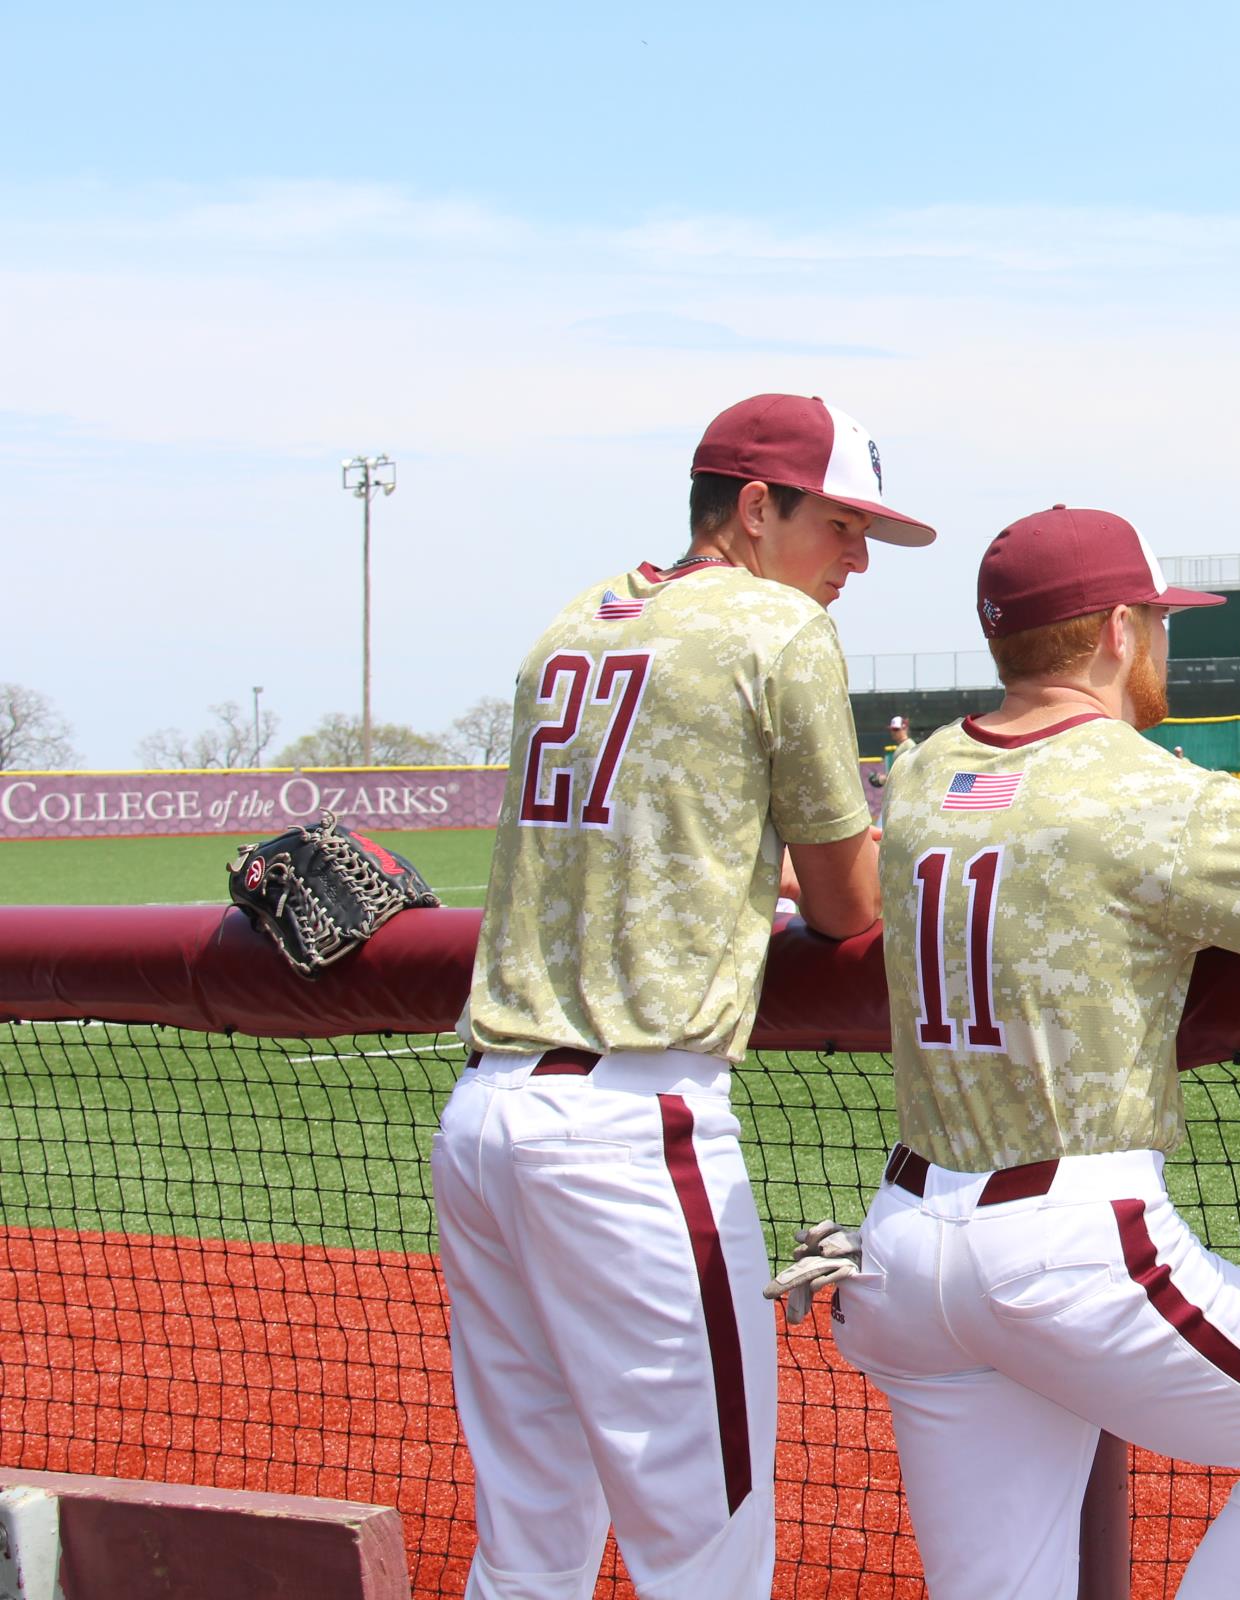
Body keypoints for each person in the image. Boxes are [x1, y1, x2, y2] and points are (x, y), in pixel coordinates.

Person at [830, 505, 1240, 1597]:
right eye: (1158, 621)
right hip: (1068, 1248)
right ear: (1118, 630)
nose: (1166, 640)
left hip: (905, 1247)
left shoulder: (924, 771)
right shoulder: (1151, 788)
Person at [434, 393, 935, 1600]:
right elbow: (848, 904)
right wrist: (908, 797)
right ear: (758, 509)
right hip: (631, 1131)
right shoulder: (774, 626)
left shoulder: (574, 617)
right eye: (842, 526)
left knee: (529, 1542)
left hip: (484, 1121)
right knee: (706, 1549)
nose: (857, 561)